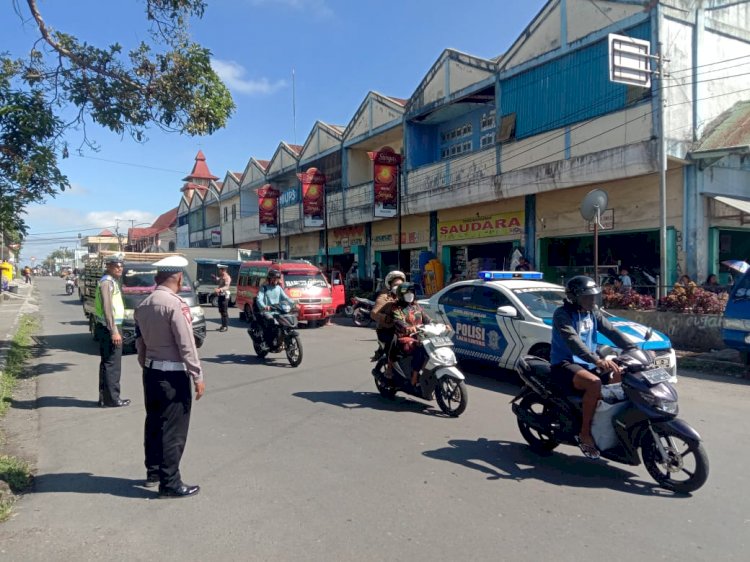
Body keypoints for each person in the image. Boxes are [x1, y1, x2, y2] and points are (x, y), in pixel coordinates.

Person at [135, 256, 205, 498]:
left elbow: (140, 343)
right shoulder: (175, 304)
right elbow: (186, 344)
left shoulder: (143, 305)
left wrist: (146, 365)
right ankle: (170, 483)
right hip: (173, 375)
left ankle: (153, 471)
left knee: (154, 422)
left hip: (151, 372)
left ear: (156, 279)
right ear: (178, 278)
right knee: (174, 429)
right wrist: (197, 375)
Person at [550, 275, 635, 460]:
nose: (592, 300)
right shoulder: (562, 314)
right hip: (566, 363)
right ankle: (585, 433)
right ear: (574, 297)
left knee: (619, 375)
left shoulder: (592, 312)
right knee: (594, 383)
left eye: (594, 296)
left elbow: (612, 331)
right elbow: (573, 341)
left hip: (588, 362)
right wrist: (596, 360)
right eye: (587, 297)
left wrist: (633, 348)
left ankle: (606, 424)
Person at [94, 254, 130, 408]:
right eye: (116, 266)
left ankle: (104, 398)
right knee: (113, 365)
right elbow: (108, 309)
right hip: (110, 327)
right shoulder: (107, 283)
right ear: (108, 266)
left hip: (106, 327)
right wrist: (114, 330)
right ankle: (113, 399)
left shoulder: (110, 281)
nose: (119, 268)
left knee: (107, 363)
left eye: (121, 266)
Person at [392, 282, 433, 387]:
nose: (410, 294)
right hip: (405, 336)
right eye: (407, 293)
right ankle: (414, 377)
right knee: (420, 348)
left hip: (420, 335)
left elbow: (426, 318)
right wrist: (408, 327)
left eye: (411, 292)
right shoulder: (397, 307)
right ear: (401, 295)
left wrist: (439, 325)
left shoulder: (416, 306)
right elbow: (398, 321)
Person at [370, 270, 406, 373]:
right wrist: (386, 318)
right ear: (390, 284)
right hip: (387, 330)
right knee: (394, 341)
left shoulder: (405, 295)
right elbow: (374, 313)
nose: (398, 286)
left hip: (402, 327)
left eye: (401, 284)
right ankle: (389, 369)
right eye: (396, 284)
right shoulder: (383, 297)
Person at [255, 269, 295, 350]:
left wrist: (294, 303)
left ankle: (282, 338)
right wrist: (264, 306)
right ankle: (267, 342)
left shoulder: (279, 288)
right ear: (269, 278)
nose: (275, 280)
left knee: (286, 321)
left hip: (278, 311)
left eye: (277, 278)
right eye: (274, 278)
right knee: (271, 322)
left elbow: (286, 298)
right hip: (267, 311)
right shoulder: (264, 288)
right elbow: (259, 299)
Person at [214, 264, 232, 332]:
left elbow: (227, 287)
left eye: (220, 270)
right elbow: (219, 282)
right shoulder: (222, 277)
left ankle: (225, 326)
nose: (219, 271)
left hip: (225, 296)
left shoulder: (227, 277)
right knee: (221, 311)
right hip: (221, 295)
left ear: (223, 270)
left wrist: (220, 289)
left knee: (224, 312)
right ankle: (223, 325)